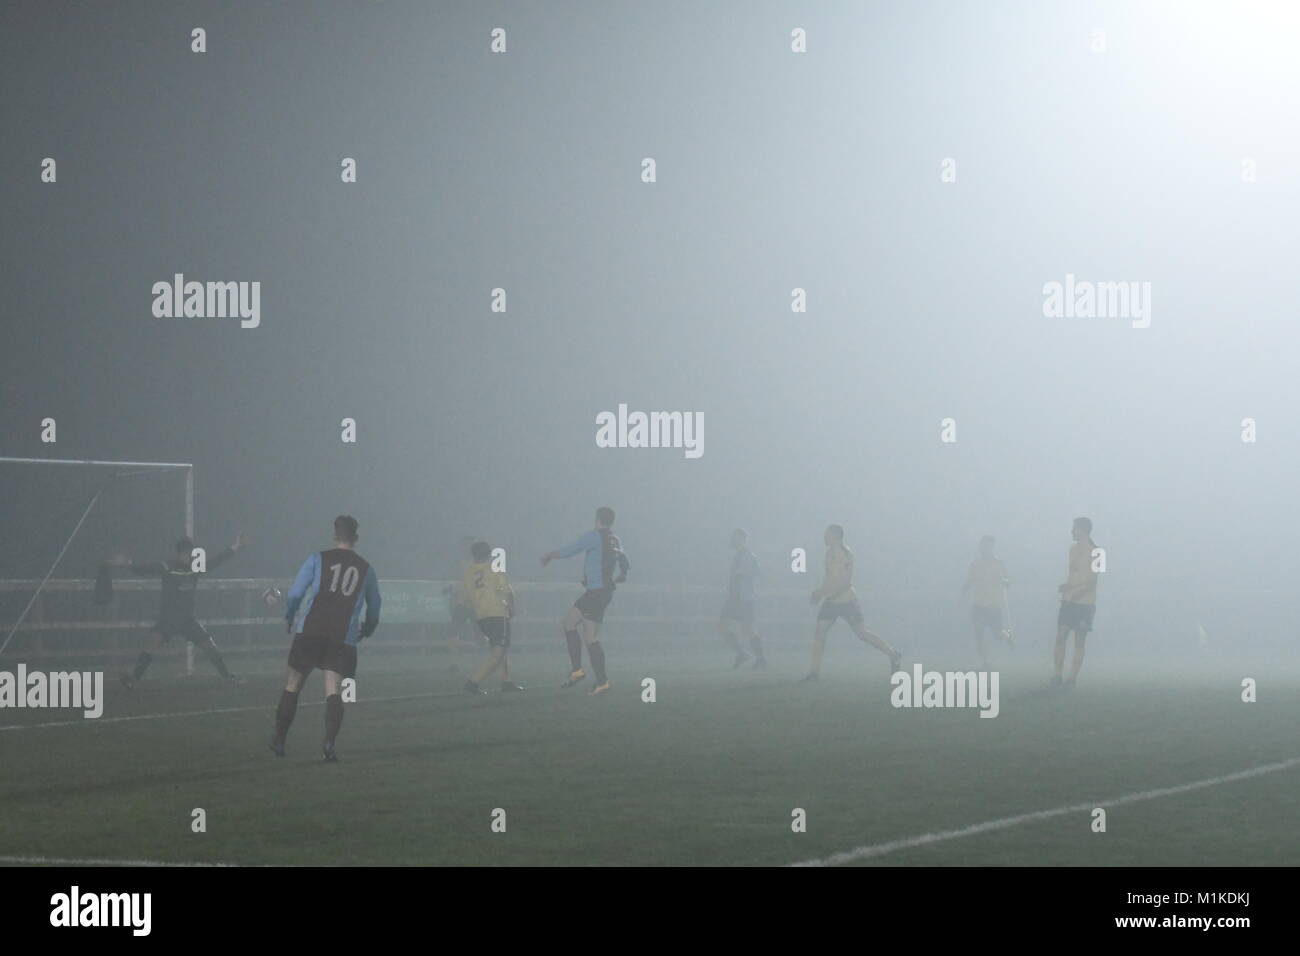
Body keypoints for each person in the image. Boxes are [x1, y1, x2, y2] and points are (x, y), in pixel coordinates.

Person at [271, 515, 381, 761]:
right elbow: (375, 605)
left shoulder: (317, 558)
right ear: (356, 538)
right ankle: (329, 743)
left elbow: (296, 593)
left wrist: (290, 615)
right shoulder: (366, 568)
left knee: (293, 685)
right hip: (342, 637)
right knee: (334, 691)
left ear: (335, 536)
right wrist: (369, 628)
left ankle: (279, 741)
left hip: (310, 631)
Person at [115, 531, 249, 689]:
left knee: (209, 646)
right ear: (179, 554)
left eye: (191, 554)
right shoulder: (167, 567)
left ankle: (227, 677)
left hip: (187, 620)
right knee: (151, 644)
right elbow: (145, 570)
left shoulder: (195, 569)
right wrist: (129, 565)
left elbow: (216, 561)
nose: (189, 556)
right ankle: (133, 679)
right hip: (168, 619)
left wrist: (235, 546)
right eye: (186, 554)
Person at [541, 506, 628, 696]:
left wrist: (549, 555)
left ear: (597, 519)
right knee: (569, 623)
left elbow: (570, 550)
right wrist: (617, 577)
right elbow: (624, 563)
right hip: (601, 592)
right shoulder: (615, 539)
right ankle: (579, 671)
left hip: (596, 593)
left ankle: (599, 680)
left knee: (590, 636)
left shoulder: (594, 536)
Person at [802, 524, 901, 682]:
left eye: (827, 535)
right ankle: (814, 672)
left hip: (846, 600)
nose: (824, 537)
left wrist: (824, 594)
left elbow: (845, 582)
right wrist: (820, 592)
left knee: (862, 634)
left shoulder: (845, 554)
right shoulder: (828, 554)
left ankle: (893, 654)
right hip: (831, 601)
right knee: (819, 633)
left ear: (836, 536)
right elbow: (828, 578)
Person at [463, 541, 522, 695]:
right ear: (489, 554)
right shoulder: (494, 569)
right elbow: (507, 591)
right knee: (497, 654)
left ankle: (506, 681)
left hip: (481, 616)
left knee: (501, 649)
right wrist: (511, 606)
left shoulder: (468, 572)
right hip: (497, 613)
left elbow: (468, 596)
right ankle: (473, 682)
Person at [1053, 517, 1098, 689]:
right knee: (1061, 637)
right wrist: (1067, 586)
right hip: (1068, 601)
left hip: (1085, 603)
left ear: (1083, 530)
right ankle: (1057, 675)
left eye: (1074, 528)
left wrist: (1080, 593)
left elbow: (1093, 580)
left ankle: (1071, 678)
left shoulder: (1098, 552)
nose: (1072, 531)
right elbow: (1074, 575)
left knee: (1079, 640)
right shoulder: (1072, 549)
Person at [961, 535, 1011, 668]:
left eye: (986, 546)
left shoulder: (998, 563)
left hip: (994, 604)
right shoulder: (975, 564)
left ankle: (1006, 635)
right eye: (981, 546)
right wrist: (963, 590)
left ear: (991, 547)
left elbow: (1008, 581)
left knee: (997, 634)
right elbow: (970, 580)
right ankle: (985, 661)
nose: (983, 548)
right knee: (979, 633)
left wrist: (1003, 581)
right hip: (979, 604)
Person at [719, 528, 764, 669]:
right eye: (733, 538)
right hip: (734, 598)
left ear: (743, 540)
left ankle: (761, 658)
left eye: (736, 538)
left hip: (744, 599)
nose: (733, 540)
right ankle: (741, 653)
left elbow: (757, 571)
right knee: (722, 626)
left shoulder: (749, 556)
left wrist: (743, 573)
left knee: (748, 629)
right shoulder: (737, 556)